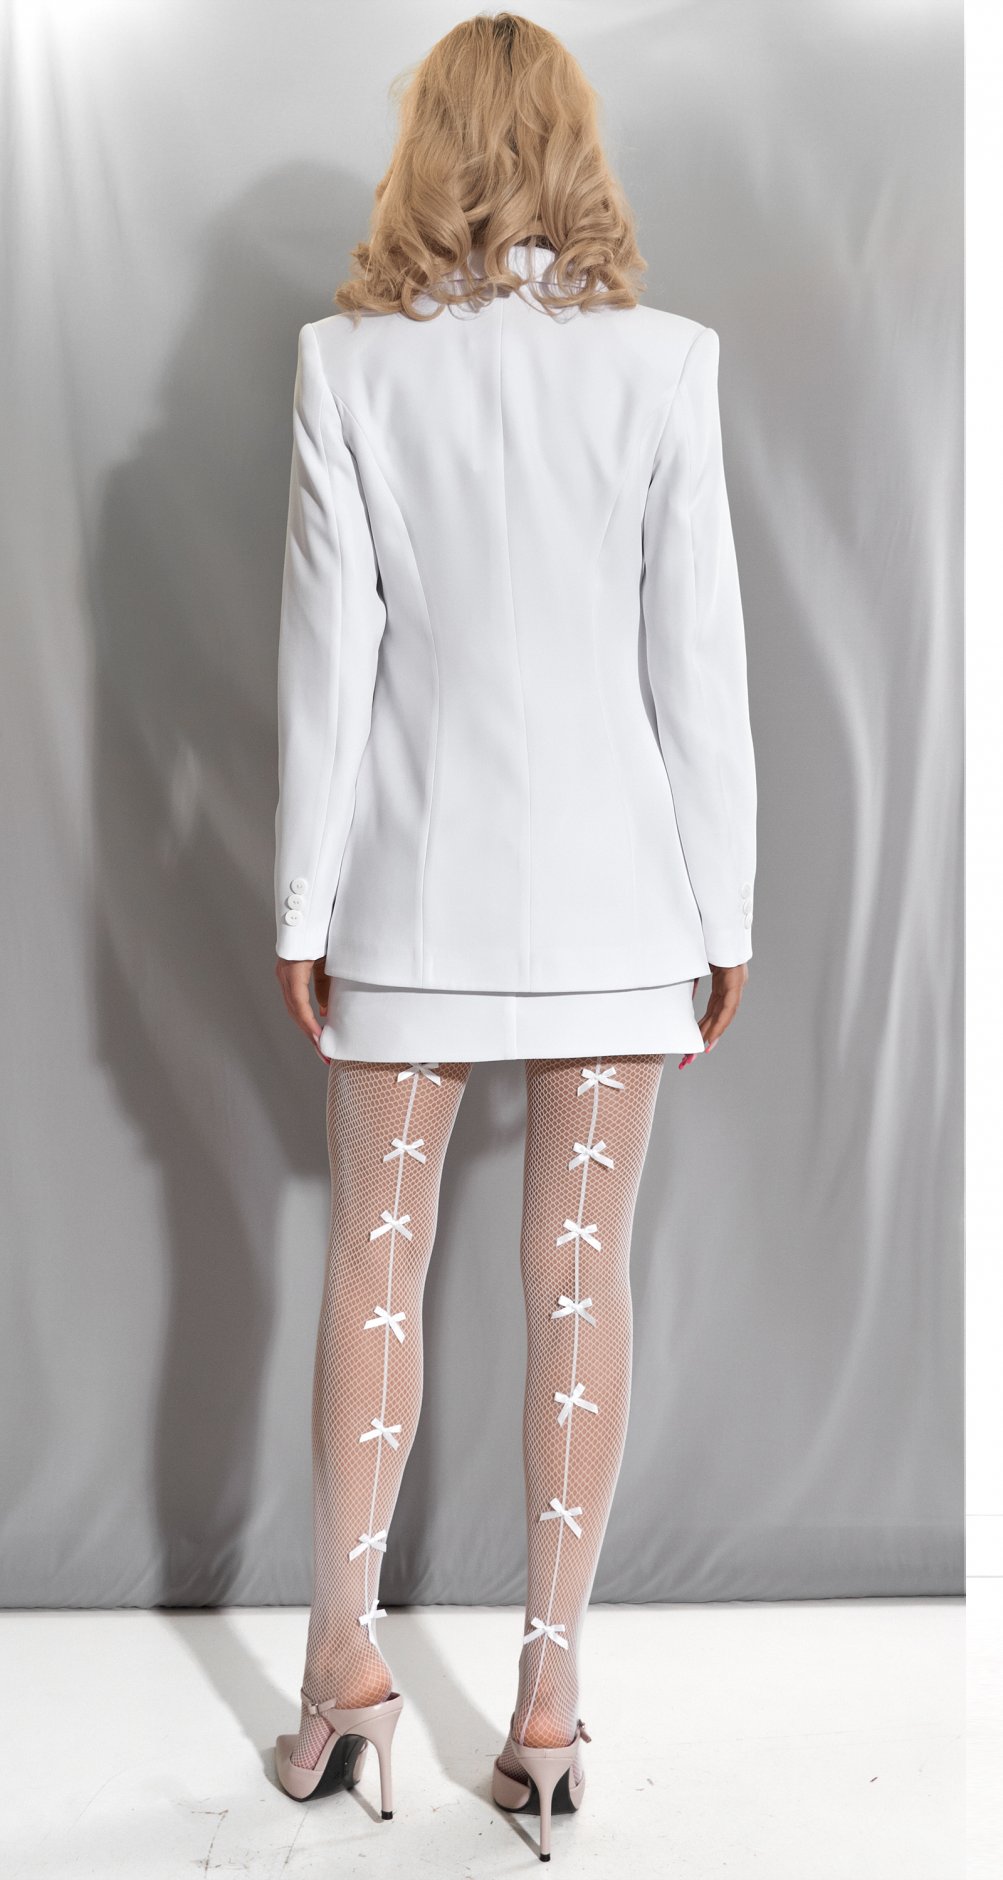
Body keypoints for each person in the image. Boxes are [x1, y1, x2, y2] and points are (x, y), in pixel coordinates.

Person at [271, 10, 757, 1862]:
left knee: (374, 1269)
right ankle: (548, 1716)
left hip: (409, 893)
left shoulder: (345, 369)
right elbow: (695, 666)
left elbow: (328, 669)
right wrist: (723, 906)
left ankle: (346, 1682)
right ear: (570, 147)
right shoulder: (663, 365)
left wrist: (305, 903)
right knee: (579, 1270)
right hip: (619, 900)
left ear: (429, 152)